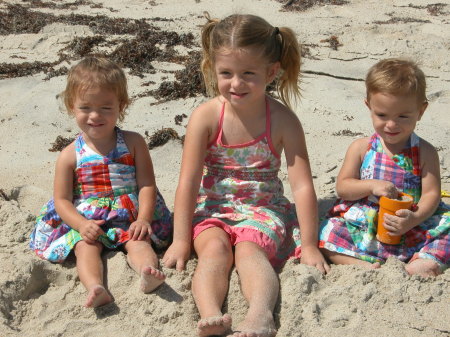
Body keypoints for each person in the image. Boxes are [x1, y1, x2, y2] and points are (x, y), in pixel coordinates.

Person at [162, 13, 328, 337]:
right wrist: (181, 240)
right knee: (214, 251)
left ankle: (260, 314)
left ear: (272, 71)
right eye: (227, 73)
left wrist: (309, 244)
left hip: (263, 210)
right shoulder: (206, 117)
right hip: (213, 208)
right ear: (213, 68)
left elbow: (303, 185)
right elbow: (188, 181)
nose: (236, 83)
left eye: (248, 74)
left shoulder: (282, 121)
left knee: (249, 251)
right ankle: (211, 314)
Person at [30, 56, 173, 308]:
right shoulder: (69, 154)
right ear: (71, 106)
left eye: (106, 108)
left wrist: (144, 218)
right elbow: (62, 200)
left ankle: (147, 272)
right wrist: (81, 224)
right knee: (86, 246)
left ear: (121, 105)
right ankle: (95, 286)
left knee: (138, 242)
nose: (95, 115)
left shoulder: (134, 142)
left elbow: (147, 185)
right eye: (85, 107)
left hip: (129, 215)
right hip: (89, 219)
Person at [319, 58, 450, 277]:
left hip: (410, 222)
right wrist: (371, 186)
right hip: (368, 224)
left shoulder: (425, 152)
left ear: (421, 111)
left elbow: (431, 194)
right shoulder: (361, 148)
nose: (391, 124)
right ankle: (362, 266)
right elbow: (343, 187)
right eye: (382, 115)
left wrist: (414, 219)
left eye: (403, 116)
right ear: (369, 107)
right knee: (326, 233)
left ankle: (422, 263)